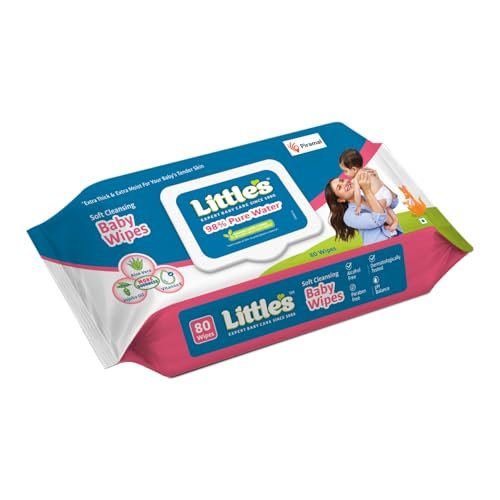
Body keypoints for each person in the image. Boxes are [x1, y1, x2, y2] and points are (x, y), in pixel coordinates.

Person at [324, 170, 402, 245]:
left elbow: (394, 202)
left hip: (399, 237)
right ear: (341, 199)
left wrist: (378, 181)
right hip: (382, 249)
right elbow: (378, 220)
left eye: (342, 180)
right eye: (339, 187)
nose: (345, 183)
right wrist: (366, 190)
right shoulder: (349, 216)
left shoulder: (369, 196)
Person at [338, 148, 399, 233]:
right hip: (386, 192)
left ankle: (392, 224)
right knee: (387, 208)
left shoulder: (356, 179)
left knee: (379, 210)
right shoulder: (367, 170)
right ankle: (395, 220)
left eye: (345, 171)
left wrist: (358, 206)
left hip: (379, 197)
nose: (344, 174)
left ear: (354, 169)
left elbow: (357, 194)